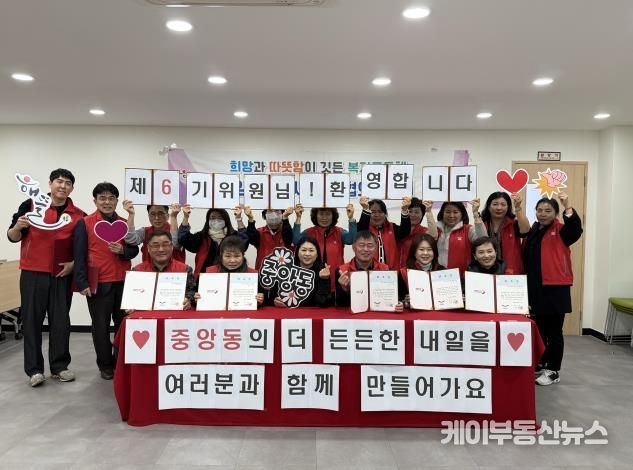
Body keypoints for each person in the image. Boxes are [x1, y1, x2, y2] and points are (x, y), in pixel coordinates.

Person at [7, 168, 85, 387]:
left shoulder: (79, 215)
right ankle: (34, 370)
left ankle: (59, 367)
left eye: (67, 183)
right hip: (33, 273)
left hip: (61, 274)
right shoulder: (30, 205)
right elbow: (12, 236)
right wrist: (17, 226)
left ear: (72, 188)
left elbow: (84, 248)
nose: (63, 186)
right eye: (59, 181)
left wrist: (74, 265)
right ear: (50, 184)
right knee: (31, 321)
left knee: (61, 322)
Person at [73, 182, 139, 380]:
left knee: (122, 325)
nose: (107, 202)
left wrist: (123, 251)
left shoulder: (123, 223)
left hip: (124, 281)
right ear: (95, 201)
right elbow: (79, 254)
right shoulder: (85, 223)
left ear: (117, 201)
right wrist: (82, 282)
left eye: (111, 198)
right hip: (98, 283)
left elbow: (134, 249)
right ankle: (105, 365)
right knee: (100, 326)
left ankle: (120, 362)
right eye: (102, 198)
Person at [524, 193, 582, 386]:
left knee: (554, 332)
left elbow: (575, 230)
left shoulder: (562, 230)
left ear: (556, 213)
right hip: (535, 288)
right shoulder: (534, 230)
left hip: (555, 288)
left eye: (548, 211)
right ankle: (541, 363)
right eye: (539, 210)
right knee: (539, 329)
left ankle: (553, 370)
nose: (542, 214)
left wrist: (567, 206)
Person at [335, 230, 402, 311]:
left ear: (375, 248)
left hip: (380, 315)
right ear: (353, 247)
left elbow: (395, 299)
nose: (366, 249)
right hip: (354, 316)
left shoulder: (386, 270)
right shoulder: (342, 271)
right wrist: (345, 289)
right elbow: (340, 305)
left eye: (370, 246)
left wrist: (398, 304)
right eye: (361, 245)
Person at [132, 230, 196, 310]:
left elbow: (192, 292)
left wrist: (188, 300)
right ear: (148, 248)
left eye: (165, 245)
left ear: (172, 246)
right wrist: (129, 306)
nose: (161, 249)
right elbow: (130, 296)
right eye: (155, 246)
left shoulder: (185, 270)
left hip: (175, 314)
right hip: (145, 315)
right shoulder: (137, 271)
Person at [178, 205, 247, 277]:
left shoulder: (233, 236)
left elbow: (244, 242)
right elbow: (183, 239)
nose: (216, 220)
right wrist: (186, 217)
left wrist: (239, 218)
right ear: (208, 220)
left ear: (226, 220)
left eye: (220, 218)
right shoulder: (201, 236)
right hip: (203, 278)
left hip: (231, 278)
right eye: (213, 218)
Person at [266, 236, 333, 308]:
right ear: (297, 252)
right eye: (304, 250)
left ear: (317, 254)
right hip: (284, 313)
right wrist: (276, 301)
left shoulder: (322, 272)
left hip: (310, 313)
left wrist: (323, 280)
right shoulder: (285, 269)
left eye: (311, 250)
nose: (307, 254)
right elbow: (271, 299)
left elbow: (323, 302)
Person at [198, 235, 264, 306]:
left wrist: (261, 300)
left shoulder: (253, 275)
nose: (232, 260)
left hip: (243, 311)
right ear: (221, 255)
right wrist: (196, 299)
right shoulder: (209, 273)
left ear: (243, 255)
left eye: (237, 256)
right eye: (228, 256)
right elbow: (196, 297)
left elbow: (264, 300)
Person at [292, 203, 356, 274]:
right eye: (321, 214)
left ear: (333, 216)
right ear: (316, 215)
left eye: (328, 214)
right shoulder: (309, 232)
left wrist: (351, 218)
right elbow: (296, 241)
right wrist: (298, 218)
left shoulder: (339, 232)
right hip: (315, 277)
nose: (324, 218)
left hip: (336, 276)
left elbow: (351, 240)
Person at [480, 192, 530, 274]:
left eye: (503, 205)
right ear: (488, 207)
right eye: (495, 204)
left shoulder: (513, 224)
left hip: (511, 273)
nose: (499, 208)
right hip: (486, 272)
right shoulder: (482, 225)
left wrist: (518, 207)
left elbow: (526, 230)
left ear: (508, 207)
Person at [357, 196, 412, 270]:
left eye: (380, 212)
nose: (377, 215)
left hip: (391, 273)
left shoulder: (393, 228)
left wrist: (405, 210)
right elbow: (361, 229)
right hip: (369, 272)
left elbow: (405, 231)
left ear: (385, 213)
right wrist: (365, 209)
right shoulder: (364, 228)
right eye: (373, 212)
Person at [436, 200, 486, 276]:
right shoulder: (436, 230)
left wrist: (476, 213)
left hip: (463, 276)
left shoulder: (468, 229)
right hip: (439, 276)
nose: (451, 215)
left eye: (455, 212)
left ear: (462, 213)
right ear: (442, 213)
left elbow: (484, 241)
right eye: (448, 212)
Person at [398, 233, 445, 308]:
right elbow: (398, 300)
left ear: (434, 252)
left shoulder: (443, 271)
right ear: (414, 252)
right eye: (421, 249)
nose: (425, 253)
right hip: (414, 313)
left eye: (429, 249)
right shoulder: (404, 273)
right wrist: (405, 302)